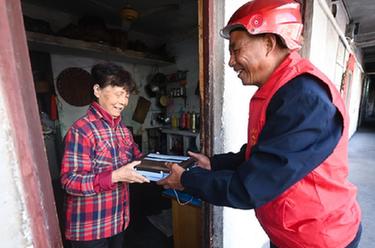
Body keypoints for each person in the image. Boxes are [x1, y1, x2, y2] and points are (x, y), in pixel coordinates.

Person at [157, 0, 362, 247]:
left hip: (318, 237)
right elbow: (264, 153)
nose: (231, 61)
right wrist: (214, 163)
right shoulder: (282, 90)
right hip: (292, 231)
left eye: (235, 50)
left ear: (268, 43)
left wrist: (187, 180)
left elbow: (251, 187)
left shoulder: (304, 98)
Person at [60, 62, 149, 248]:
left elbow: (137, 159)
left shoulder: (123, 130)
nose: (124, 101)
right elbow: (70, 182)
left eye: (126, 95)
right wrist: (116, 176)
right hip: (90, 228)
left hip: (118, 221)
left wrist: (164, 167)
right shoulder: (82, 130)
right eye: (118, 94)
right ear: (97, 90)